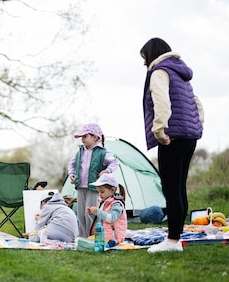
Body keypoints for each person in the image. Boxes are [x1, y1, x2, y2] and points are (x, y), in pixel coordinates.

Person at [140, 38, 204, 253]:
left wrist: (159, 131)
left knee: (171, 190)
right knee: (180, 188)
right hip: (189, 137)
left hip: (172, 137)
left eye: (143, 58)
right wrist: (197, 126)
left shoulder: (160, 72)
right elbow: (197, 103)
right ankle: (177, 236)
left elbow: (162, 102)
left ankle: (173, 242)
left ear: (151, 54)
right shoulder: (181, 72)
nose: (143, 63)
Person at [67, 123, 120, 238]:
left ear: (95, 137)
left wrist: (107, 171)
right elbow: (71, 164)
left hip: (93, 187)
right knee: (81, 214)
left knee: (90, 212)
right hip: (80, 186)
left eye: (85, 136)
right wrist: (72, 175)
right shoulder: (80, 151)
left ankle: (92, 236)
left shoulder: (101, 153)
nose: (82, 139)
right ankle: (82, 236)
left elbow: (115, 162)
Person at [86, 174, 127, 245]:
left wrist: (97, 211)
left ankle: (115, 242)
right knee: (89, 240)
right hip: (103, 235)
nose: (99, 194)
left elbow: (110, 218)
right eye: (98, 192)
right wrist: (92, 214)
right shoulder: (103, 202)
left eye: (102, 192)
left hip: (113, 236)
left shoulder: (116, 204)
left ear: (112, 190)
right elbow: (100, 219)